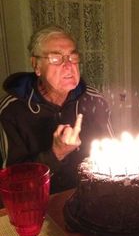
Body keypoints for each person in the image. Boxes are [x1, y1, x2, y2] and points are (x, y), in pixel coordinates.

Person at [0, 24, 114, 193]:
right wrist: (56, 153)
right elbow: (12, 184)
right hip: (40, 203)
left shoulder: (93, 100)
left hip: (92, 198)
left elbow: (112, 154)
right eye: (56, 58)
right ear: (36, 65)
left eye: (72, 57)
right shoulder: (11, 111)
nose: (68, 66)